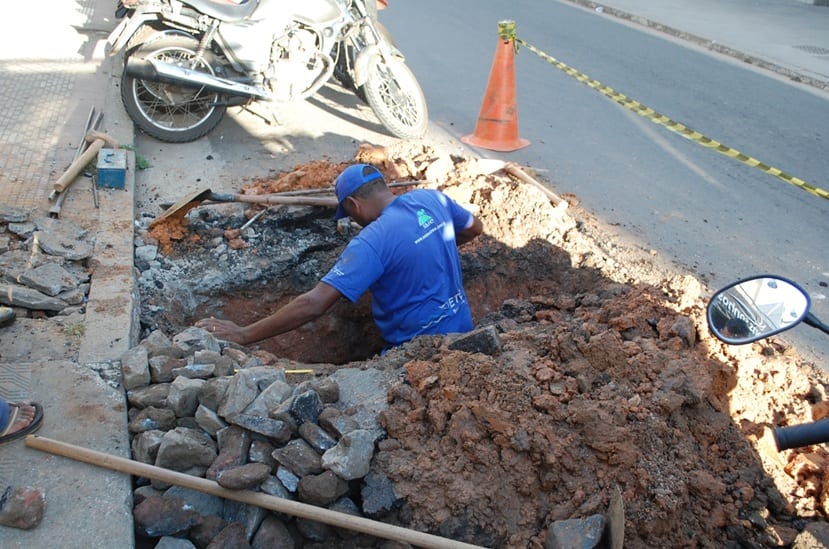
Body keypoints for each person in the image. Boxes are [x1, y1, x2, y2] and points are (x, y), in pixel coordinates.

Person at [197, 163, 484, 351]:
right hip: (466, 336)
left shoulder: (371, 242)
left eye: (348, 215)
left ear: (353, 204)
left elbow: (314, 303)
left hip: (418, 356)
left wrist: (244, 334)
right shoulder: (432, 199)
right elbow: (474, 229)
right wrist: (426, 249)